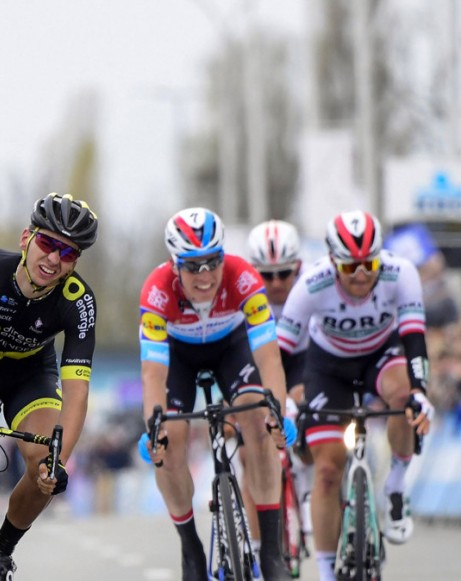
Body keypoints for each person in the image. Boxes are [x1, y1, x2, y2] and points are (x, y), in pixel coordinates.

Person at [276, 210, 434, 581]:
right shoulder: (311, 284)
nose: (361, 274)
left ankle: (396, 487)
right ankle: (327, 573)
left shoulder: (401, 273)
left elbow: (414, 337)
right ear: (333, 262)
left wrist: (420, 392)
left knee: (403, 397)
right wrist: (280, 400)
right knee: (327, 470)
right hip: (328, 367)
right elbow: (279, 352)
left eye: (369, 264)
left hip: (381, 356)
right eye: (350, 267)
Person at [139, 207, 295, 581]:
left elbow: (269, 357)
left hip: (231, 348)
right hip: (179, 356)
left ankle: (271, 551)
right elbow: (153, 374)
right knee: (169, 443)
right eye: (193, 266)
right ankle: (190, 547)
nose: (206, 275)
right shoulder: (157, 291)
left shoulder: (244, 278)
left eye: (213, 262)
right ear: (175, 265)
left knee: (258, 421)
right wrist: (153, 428)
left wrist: (278, 412)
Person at [0, 193, 98, 580]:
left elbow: (77, 391)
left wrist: (58, 460)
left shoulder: (78, 300)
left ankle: (2, 549)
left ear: (75, 263)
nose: (53, 259)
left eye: (67, 253)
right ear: (26, 239)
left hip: (28, 374)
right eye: (48, 243)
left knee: (43, 464)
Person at [244, 219, 314, 548]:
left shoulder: (312, 284)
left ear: (298, 267)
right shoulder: (243, 291)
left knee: (314, 426)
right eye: (266, 275)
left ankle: (310, 485)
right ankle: (259, 546)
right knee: (247, 454)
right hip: (259, 363)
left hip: (305, 360)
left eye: (284, 273)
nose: (275, 283)